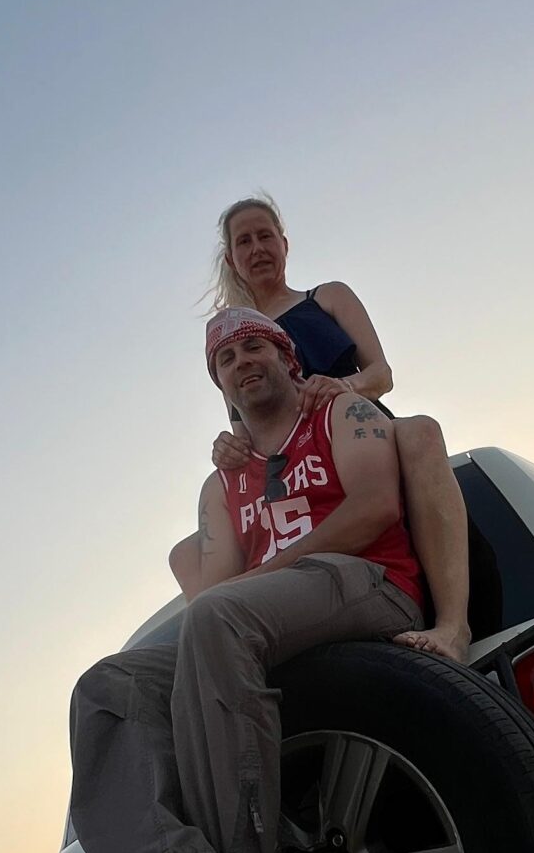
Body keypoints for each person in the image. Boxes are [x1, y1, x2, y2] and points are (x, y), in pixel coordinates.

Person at [55, 307, 425, 853]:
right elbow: (217, 589)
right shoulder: (223, 483)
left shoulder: (340, 413)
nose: (242, 361)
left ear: (287, 356)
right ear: (220, 385)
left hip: (369, 585)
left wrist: (258, 581)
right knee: (108, 686)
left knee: (219, 616)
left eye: (255, 345)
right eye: (226, 359)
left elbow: (376, 507)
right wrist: (212, 572)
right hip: (271, 627)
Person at [168, 195, 474, 664]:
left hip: (352, 434)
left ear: (284, 244)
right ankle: (236, 651)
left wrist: (342, 387)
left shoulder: (326, 297)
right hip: (290, 463)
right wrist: (226, 447)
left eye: (265, 236)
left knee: (420, 433)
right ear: (231, 259)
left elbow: (382, 373)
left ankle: (453, 624)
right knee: (187, 552)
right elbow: (242, 427)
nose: (257, 248)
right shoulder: (234, 343)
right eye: (244, 241)